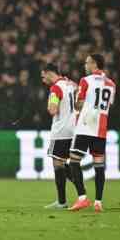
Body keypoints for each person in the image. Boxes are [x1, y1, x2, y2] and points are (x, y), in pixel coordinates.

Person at [68, 54, 116, 213]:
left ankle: (82, 198)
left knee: (74, 161)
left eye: (87, 62)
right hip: (101, 129)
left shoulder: (85, 80)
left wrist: (76, 97)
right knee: (99, 166)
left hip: (85, 126)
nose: (85, 65)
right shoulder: (111, 84)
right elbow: (109, 104)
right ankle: (98, 202)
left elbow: (79, 103)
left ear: (94, 64)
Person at [40, 63, 79, 209]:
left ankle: (62, 201)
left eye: (43, 76)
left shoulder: (55, 88)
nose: (43, 80)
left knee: (58, 163)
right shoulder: (71, 84)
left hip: (61, 131)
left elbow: (52, 110)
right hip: (74, 129)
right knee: (67, 163)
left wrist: (50, 103)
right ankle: (80, 192)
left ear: (49, 73)